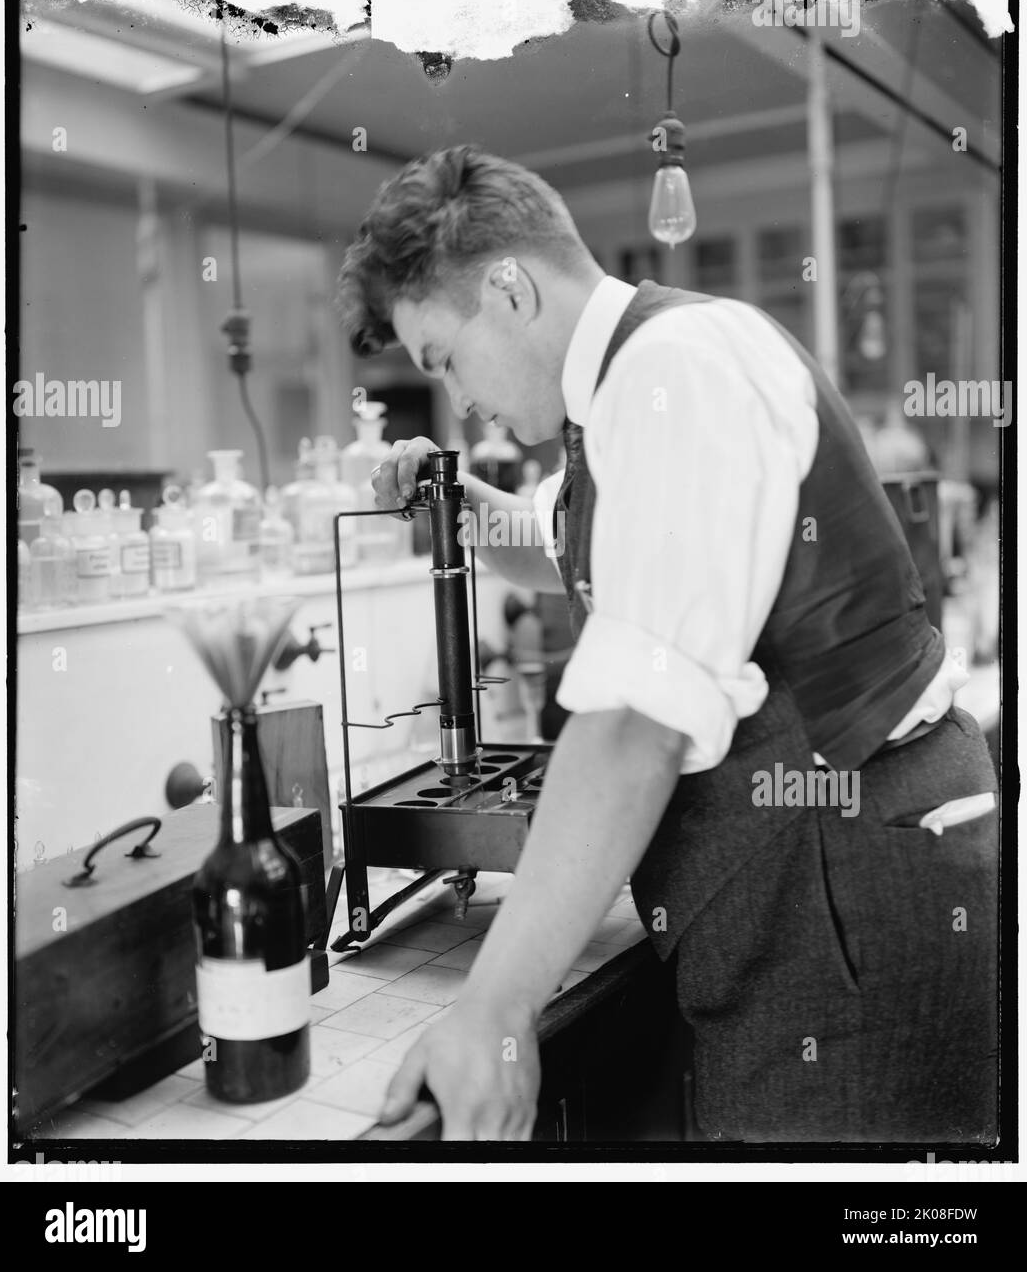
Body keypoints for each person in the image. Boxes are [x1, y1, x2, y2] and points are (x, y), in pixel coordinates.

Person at [335, 145, 999, 1143]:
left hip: (844, 882)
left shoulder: (673, 373)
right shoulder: (621, 398)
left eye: (444, 359)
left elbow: (635, 722)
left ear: (508, 290)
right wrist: (459, 502)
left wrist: (494, 1006)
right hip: (800, 883)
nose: (460, 400)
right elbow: (568, 543)